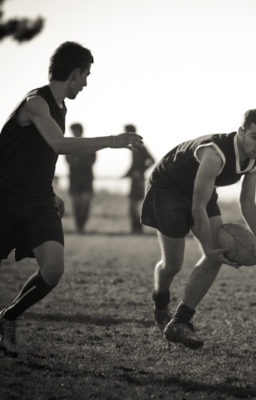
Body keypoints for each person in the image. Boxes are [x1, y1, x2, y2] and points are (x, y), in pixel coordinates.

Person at [0, 41, 142, 357]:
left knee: (53, 269)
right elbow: (59, 144)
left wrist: (50, 192)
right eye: (86, 75)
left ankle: (7, 317)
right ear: (74, 72)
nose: (86, 83)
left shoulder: (62, 107)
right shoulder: (36, 102)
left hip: (38, 202)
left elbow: (37, 156)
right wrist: (112, 141)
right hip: (6, 201)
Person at [141, 109, 256, 349]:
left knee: (217, 255)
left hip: (200, 193)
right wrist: (208, 246)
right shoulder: (215, 153)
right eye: (255, 136)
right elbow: (197, 204)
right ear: (241, 132)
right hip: (168, 189)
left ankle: (180, 322)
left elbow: (247, 202)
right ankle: (161, 303)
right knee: (173, 264)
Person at [123, 124, 155, 234]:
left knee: (134, 206)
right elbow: (134, 165)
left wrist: (140, 171)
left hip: (138, 180)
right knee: (133, 206)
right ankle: (136, 229)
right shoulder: (134, 146)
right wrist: (127, 174)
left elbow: (152, 160)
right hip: (135, 180)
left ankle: (137, 229)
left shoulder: (139, 146)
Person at [66, 123, 97, 233]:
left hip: (85, 180)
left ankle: (81, 226)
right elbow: (69, 161)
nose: (74, 133)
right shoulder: (69, 145)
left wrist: (78, 162)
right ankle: (79, 227)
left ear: (80, 131)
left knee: (84, 205)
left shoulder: (88, 144)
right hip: (75, 180)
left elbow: (91, 161)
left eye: (75, 130)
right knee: (76, 206)